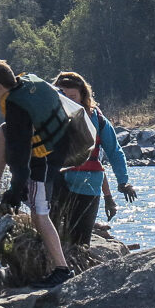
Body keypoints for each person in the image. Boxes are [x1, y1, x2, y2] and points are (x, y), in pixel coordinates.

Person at [0, 59, 75, 288]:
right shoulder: (27, 82)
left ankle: (62, 269)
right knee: (3, 130)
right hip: (57, 148)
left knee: (40, 215)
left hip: (45, 161)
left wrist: (15, 190)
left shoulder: (15, 106)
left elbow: (21, 158)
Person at [49, 71, 137, 245]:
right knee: (54, 233)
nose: (68, 101)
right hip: (57, 183)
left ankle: (77, 257)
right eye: (63, 96)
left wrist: (123, 182)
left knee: (80, 241)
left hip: (88, 186)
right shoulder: (49, 118)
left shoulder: (97, 119)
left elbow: (114, 151)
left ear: (83, 96)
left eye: (72, 96)